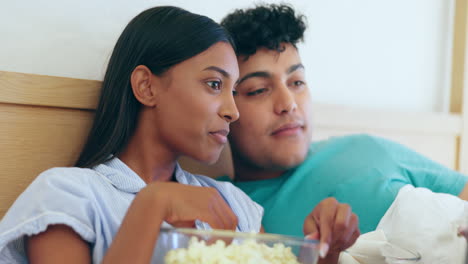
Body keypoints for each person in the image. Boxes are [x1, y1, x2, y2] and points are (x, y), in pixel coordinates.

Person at [0, 6, 262, 263]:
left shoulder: (233, 203)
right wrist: (152, 205)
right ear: (146, 86)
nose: (233, 111)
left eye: (234, 91)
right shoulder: (66, 196)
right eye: (214, 84)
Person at [220, 2, 468, 260]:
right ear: (223, 107)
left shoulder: (367, 148)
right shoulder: (226, 211)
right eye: (259, 89)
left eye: (297, 82)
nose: (288, 104)